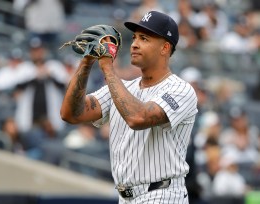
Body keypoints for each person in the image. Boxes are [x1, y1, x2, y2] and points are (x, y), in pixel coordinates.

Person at [60, 11, 198, 204]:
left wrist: (108, 67)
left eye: (144, 38)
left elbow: (137, 118)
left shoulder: (181, 90)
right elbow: (71, 114)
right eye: (134, 38)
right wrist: (87, 62)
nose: (134, 44)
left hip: (163, 194)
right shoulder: (122, 88)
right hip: (126, 198)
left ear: (165, 47)